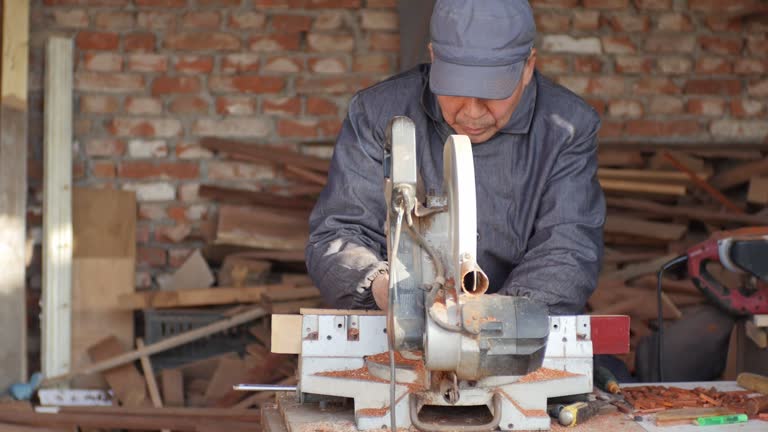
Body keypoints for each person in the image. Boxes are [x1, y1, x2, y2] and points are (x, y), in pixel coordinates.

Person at [305, 0, 605, 315]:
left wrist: (490, 322)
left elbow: (567, 249)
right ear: (434, 57)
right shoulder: (378, 113)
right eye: (455, 90)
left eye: (491, 94)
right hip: (394, 326)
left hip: (515, 331)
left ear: (528, 67)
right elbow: (338, 232)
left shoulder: (567, 127)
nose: (471, 113)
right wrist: (389, 291)